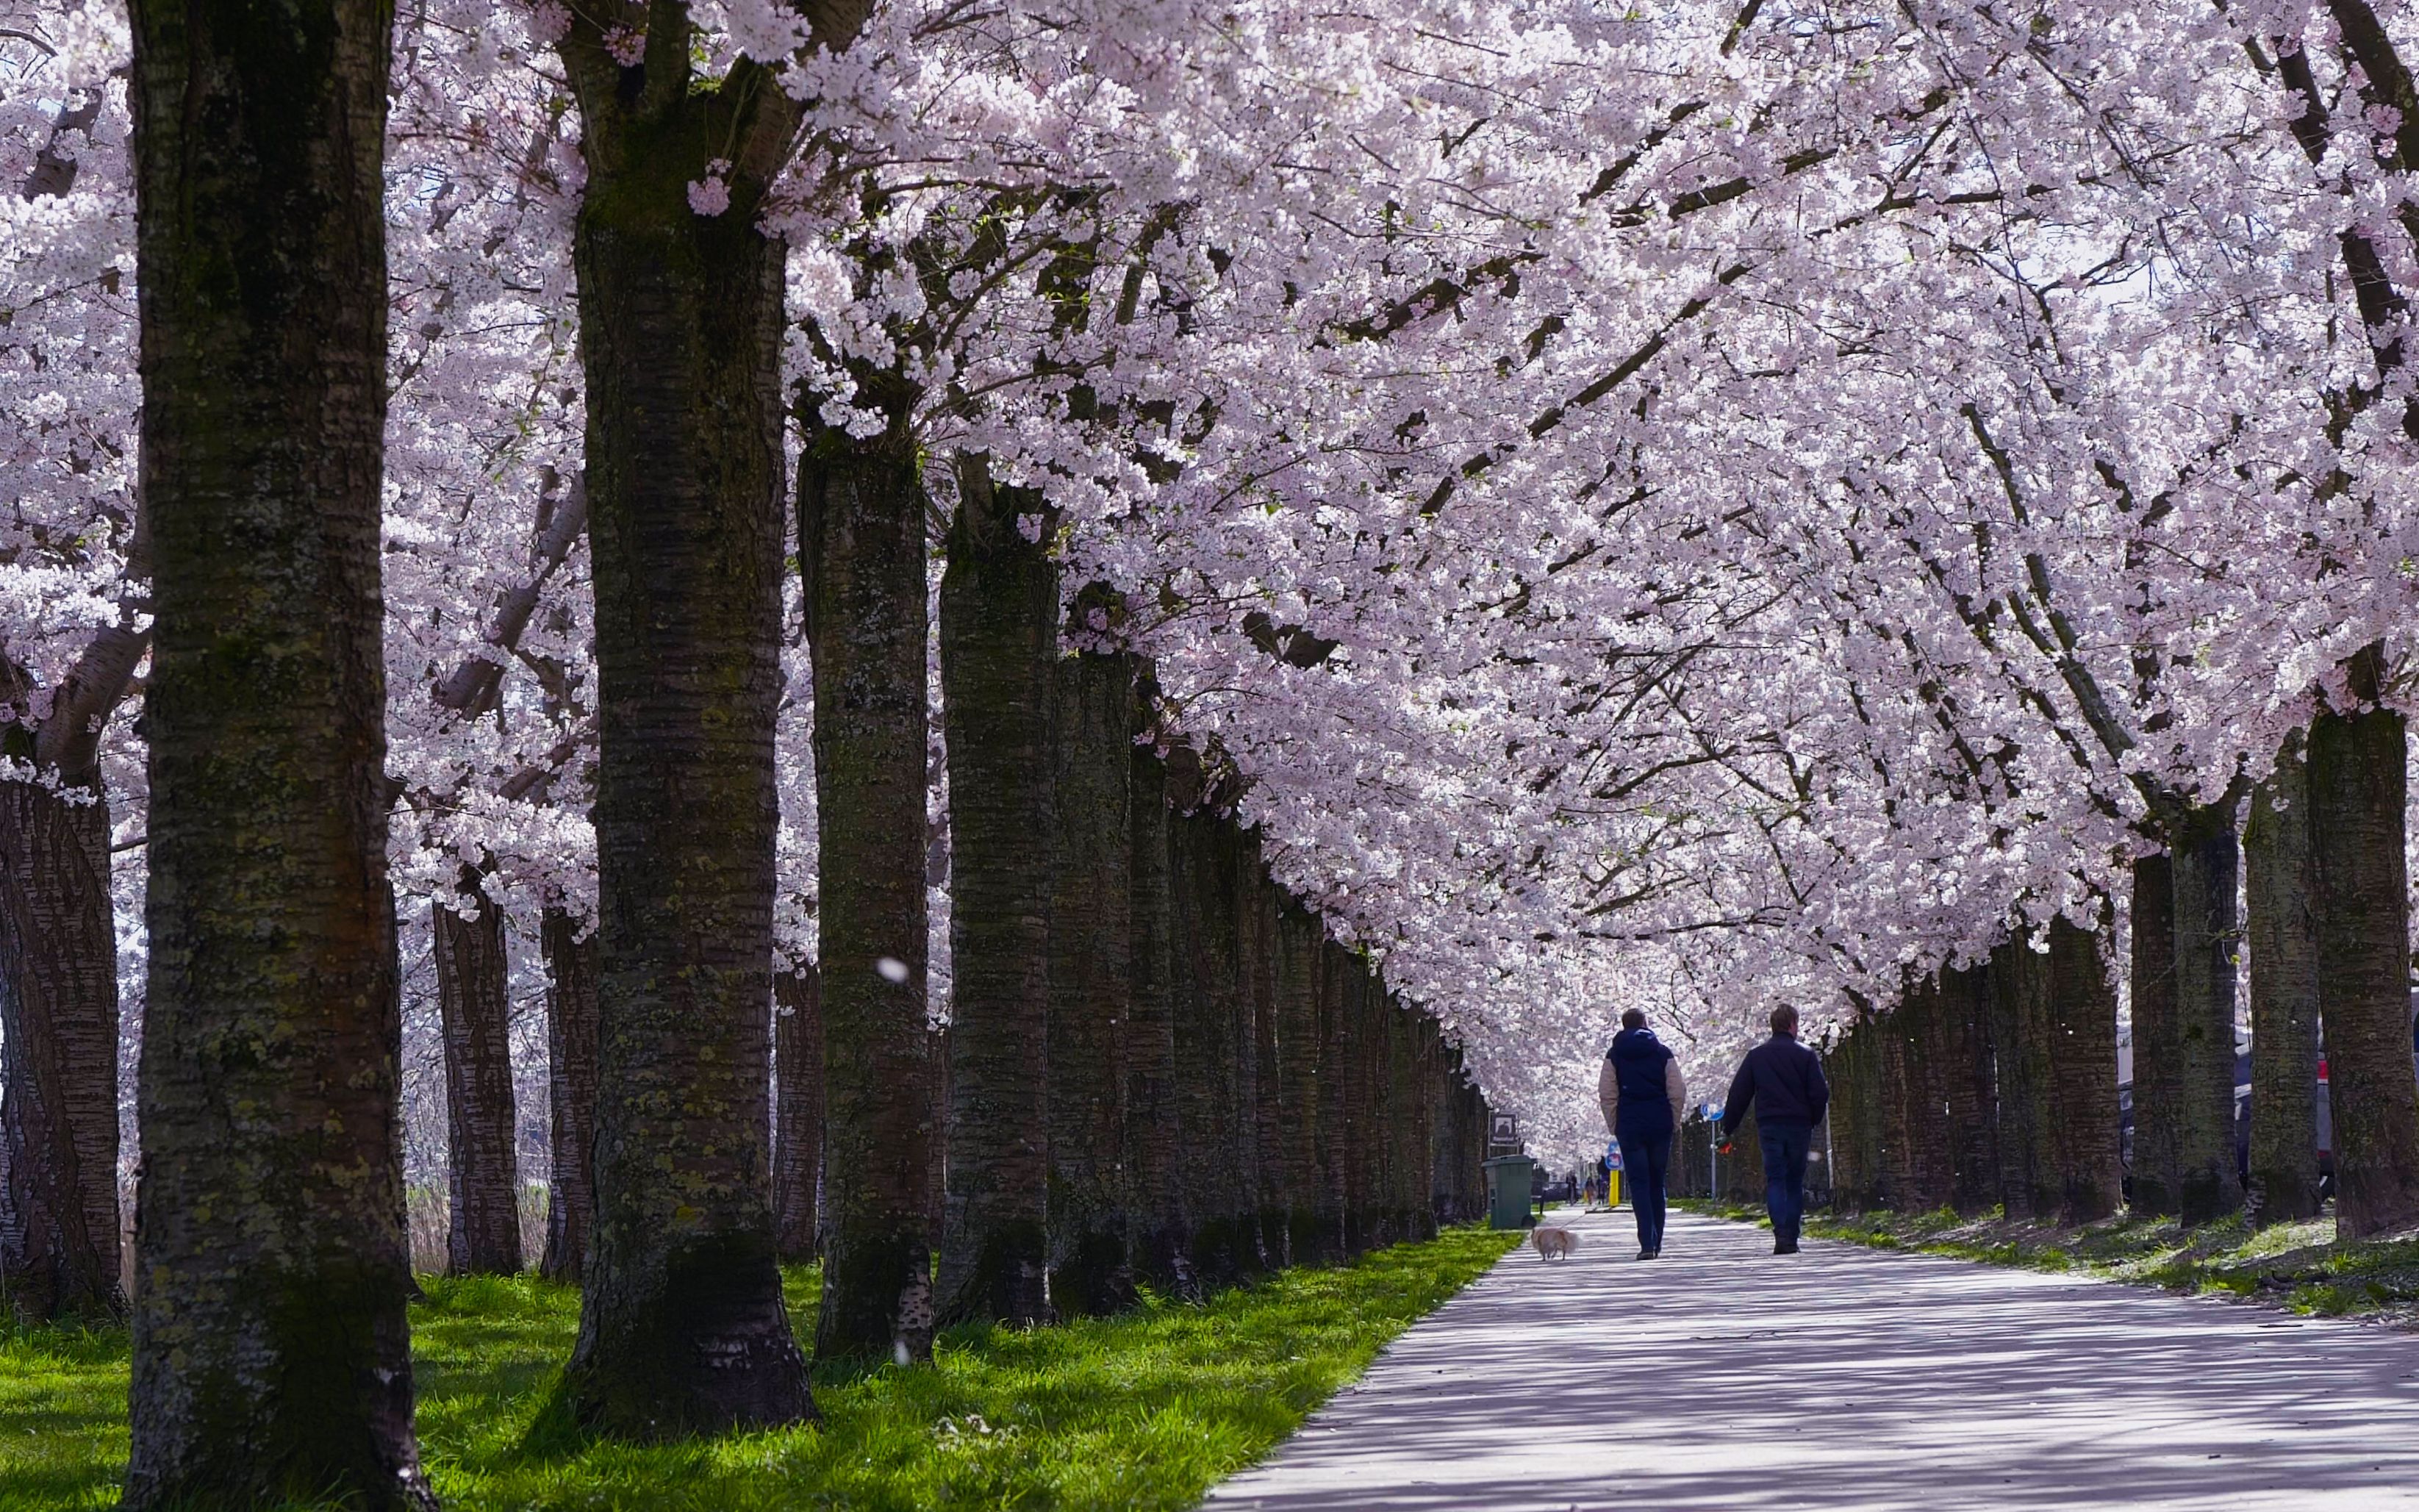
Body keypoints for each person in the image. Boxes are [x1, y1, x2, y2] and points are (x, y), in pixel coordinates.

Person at [1721, 1005, 1831, 1255]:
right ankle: (1791, 1235)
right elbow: (1820, 1092)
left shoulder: (1757, 1056)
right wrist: (1813, 1118)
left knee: (1776, 1178)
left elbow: (1739, 1094)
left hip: (1770, 1125)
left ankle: (1780, 1231)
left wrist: (1728, 1127)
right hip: (1799, 1125)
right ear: (1793, 1024)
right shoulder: (1806, 1055)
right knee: (1794, 1180)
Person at [1599, 1007, 1687, 1260]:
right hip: (1660, 1122)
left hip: (1630, 1124)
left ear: (1623, 1026)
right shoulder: (1662, 1053)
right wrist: (1673, 1120)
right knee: (1657, 1182)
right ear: (1646, 1024)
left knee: (1638, 1183)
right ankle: (1657, 1239)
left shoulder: (1615, 1055)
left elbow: (1607, 1092)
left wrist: (1615, 1124)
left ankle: (1646, 1243)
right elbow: (1677, 1089)